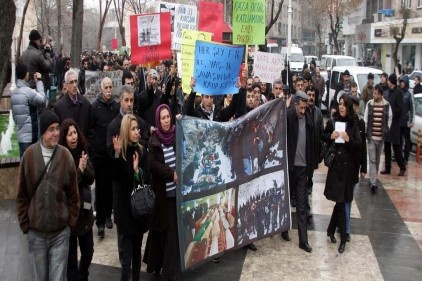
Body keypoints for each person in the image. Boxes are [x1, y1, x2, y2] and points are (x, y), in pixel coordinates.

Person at [16, 109, 79, 280]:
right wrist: (25, 225)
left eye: (57, 128)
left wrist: (70, 224)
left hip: (60, 233)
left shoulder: (65, 156)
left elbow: (74, 195)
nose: (56, 133)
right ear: (43, 131)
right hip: (36, 233)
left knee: (57, 278)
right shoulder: (29, 156)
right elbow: (21, 194)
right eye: (51, 129)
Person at [144, 104, 181, 280]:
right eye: (163, 118)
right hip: (161, 197)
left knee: (172, 234)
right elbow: (152, 165)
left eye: (168, 117)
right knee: (160, 232)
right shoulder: (154, 140)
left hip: (176, 196)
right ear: (158, 120)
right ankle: (156, 265)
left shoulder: (176, 134)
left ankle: (171, 272)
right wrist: (170, 174)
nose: (166, 121)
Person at [322, 95, 361, 253]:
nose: (342, 107)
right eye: (340, 104)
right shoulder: (333, 121)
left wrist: (349, 139)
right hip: (336, 167)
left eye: (345, 105)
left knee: (342, 200)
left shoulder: (353, 123)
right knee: (340, 200)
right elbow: (323, 136)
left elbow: (359, 145)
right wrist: (330, 136)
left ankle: (341, 236)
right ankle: (336, 232)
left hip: (347, 169)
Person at [112, 114, 148, 281]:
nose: (137, 131)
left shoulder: (141, 150)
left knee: (136, 255)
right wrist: (118, 155)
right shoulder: (122, 152)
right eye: (133, 129)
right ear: (126, 131)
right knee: (126, 258)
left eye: (137, 128)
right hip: (125, 212)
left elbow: (146, 178)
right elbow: (118, 179)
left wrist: (137, 173)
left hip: (139, 211)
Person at [59, 119, 95, 281]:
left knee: (88, 252)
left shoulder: (83, 151)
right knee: (71, 261)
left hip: (85, 214)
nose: (73, 137)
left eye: (75, 133)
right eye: (69, 134)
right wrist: (79, 170)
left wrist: (85, 167)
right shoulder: (61, 158)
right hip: (70, 217)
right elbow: (67, 186)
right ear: (64, 138)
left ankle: (83, 275)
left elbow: (91, 178)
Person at [89, 77, 120, 238]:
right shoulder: (95, 107)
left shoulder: (115, 107)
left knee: (110, 187)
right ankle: (100, 221)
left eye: (110, 87)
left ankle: (108, 216)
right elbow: (91, 129)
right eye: (106, 87)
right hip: (99, 155)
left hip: (111, 154)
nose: (109, 90)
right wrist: (95, 146)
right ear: (101, 89)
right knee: (100, 189)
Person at [286, 91, 314, 253]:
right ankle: (284, 230)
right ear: (295, 105)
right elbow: (283, 119)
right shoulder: (290, 118)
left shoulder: (308, 120)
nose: (303, 111)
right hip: (290, 168)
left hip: (303, 169)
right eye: (301, 108)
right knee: (287, 201)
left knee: (302, 205)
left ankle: (303, 240)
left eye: (305, 108)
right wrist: (288, 107)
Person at [11, 64, 47, 157]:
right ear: (24, 74)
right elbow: (43, 101)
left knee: (24, 166)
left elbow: (14, 117)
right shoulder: (28, 92)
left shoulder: (14, 93)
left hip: (21, 137)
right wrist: (38, 82)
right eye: (27, 72)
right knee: (32, 166)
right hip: (31, 137)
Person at [364, 84, 392, 193]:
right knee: (372, 159)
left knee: (377, 159)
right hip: (371, 137)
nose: (373, 95)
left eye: (375, 93)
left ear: (380, 95)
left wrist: (387, 129)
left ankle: (373, 177)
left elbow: (390, 118)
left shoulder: (386, 105)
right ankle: (373, 182)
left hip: (381, 138)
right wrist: (367, 132)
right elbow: (366, 119)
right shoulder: (369, 104)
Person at [346, 96, 367, 241]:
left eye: (355, 106)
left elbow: (362, 146)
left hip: (354, 165)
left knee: (348, 199)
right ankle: (344, 227)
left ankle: (345, 227)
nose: (354, 109)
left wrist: (363, 167)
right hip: (343, 165)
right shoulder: (343, 121)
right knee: (343, 199)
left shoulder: (360, 124)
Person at [54, 69, 92, 138]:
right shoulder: (59, 107)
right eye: (71, 82)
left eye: (75, 81)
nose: (74, 85)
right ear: (66, 85)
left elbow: (90, 128)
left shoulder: (86, 103)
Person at [381, 74, 406, 176]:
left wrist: (391, 112)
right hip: (388, 123)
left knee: (396, 147)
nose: (387, 81)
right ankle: (387, 168)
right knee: (386, 146)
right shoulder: (388, 92)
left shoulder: (398, 93)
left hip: (395, 124)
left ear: (391, 81)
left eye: (388, 80)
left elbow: (400, 109)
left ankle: (402, 167)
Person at [399, 75, 415, 165]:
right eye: (400, 82)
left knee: (407, 140)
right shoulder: (400, 92)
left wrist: (411, 120)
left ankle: (406, 157)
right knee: (399, 140)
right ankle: (399, 156)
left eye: (403, 82)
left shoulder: (409, 94)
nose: (401, 83)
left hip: (406, 121)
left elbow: (412, 108)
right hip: (399, 121)